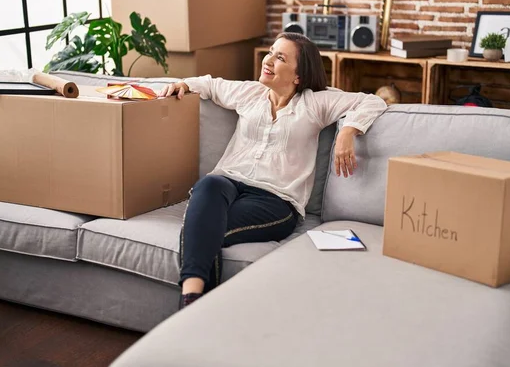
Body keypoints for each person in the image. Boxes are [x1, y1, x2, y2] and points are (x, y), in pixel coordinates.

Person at [158, 32, 387, 308]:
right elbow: (209, 84)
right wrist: (182, 83)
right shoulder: (249, 93)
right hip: (228, 185)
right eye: (270, 52)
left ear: (298, 76)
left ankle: (189, 300)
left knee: (201, 227)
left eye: (280, 57)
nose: (268, 60)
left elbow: (373, 101)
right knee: (208, 186)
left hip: (275, 201)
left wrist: (347, 131)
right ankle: (194, 304)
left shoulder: (315, 103)